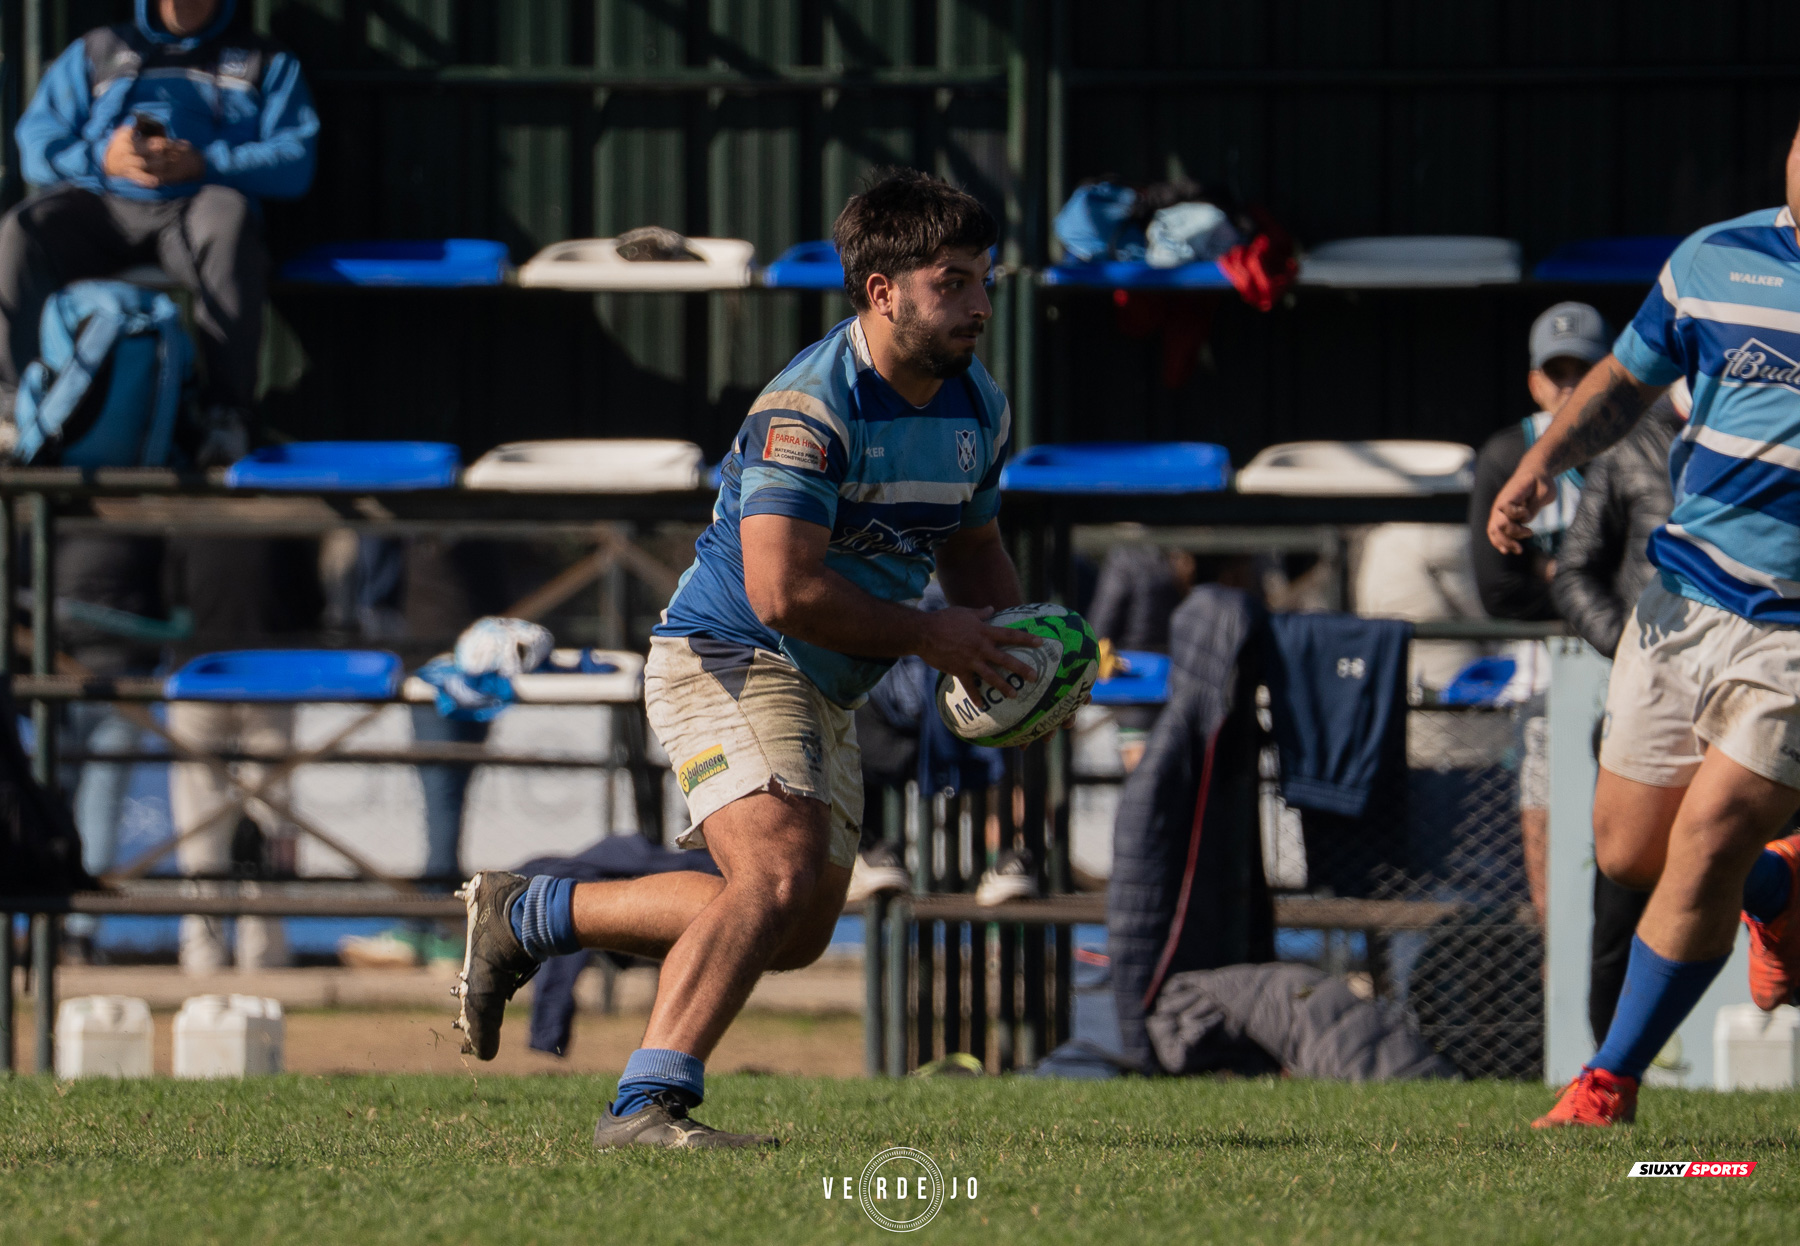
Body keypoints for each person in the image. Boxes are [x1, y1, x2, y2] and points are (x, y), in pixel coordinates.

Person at [452, 169, 1034, 1149]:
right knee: (773, 876)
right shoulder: (808, 411)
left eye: (983, 280)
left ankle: (532, 914)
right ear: (884, 292)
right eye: (953, 283)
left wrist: (1016, 652)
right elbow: (781, 592)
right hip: (730, 651)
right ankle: (645, 1106)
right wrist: (935, 636)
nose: (979, 304)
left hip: (826, 683)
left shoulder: (978, 405)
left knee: (792, 930)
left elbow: (973, 548)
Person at [1488, 121, 1800, 1127]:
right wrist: (1541, 465)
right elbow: (1624, 380)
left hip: (1794, 637)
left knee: (1710, 833)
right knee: (1629, 853)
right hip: (1681, 605)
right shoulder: (1714, 258)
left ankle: (1607, 1083)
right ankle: (1779, 893)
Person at [0, 0, 318, 457]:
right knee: (22, 229)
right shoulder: (96, 50)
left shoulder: (267, 61)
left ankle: (226, 417)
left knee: (229, 223)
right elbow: (37, 145)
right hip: (103, 203)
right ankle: (14, 412)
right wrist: (103, 158)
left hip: (196, 206)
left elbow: (296, 160)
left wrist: (205, 162)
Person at [1550, 384, 1686, 1043]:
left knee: (1777, 887)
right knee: (1621, 904)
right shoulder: (1631, 445)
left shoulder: (1772, 430)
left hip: (1761, 700)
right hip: (1650, 703)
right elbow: (1574, 572)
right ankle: (1605, 1071)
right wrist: (1633, 647)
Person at [1467, 302, 1611, 918]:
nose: (1569, 385)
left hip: (1628, 674)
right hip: (1543, 685)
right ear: (1535, 382)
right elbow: (1499, 591)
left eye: (1584, 370)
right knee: (1551, 858)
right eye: (1557, 372)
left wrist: (1552, 573)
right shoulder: (1510, 455)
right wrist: (1591, 586)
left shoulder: (1636, 447)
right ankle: (1557, 969)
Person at [165, 535, 323, 972]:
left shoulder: (193, 521)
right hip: (256, 675)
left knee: (207, 824)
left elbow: (169, 599)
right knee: (265, 819)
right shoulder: (287, 527)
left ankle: (205, 952)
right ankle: (262, 953)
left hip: (208, 675)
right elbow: (312, 603)